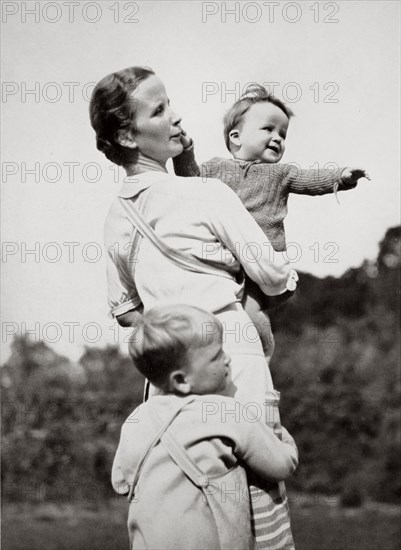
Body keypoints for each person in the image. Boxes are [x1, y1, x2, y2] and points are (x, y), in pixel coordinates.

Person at [90, 66, 298, 548]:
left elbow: (126, 312)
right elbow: (272, 275)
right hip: (232, 360)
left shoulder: (115, 217)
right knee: (258, 500)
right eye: (160, 110)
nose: (176, 117)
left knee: (185, 505)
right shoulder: (207, 192)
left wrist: (174, 324)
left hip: (169, 379)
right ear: (127, 133)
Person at [174, 84, 371, 357]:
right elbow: (190, 182)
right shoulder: (215, 168)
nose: (278, 138)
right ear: (236, 137)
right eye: (268, 129)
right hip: (222, 257)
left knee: (250, 314)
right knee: (213, 314)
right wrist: (184, 152)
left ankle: (263, 357)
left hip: (260, 260)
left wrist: (342, 176)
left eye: (283, 133)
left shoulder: (281, 174)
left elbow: (311, 179)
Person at [112, 304, 298, 550]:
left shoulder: (136, 420)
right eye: (216, 355)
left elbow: (120, 481)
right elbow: (281, 465)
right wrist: (283, 438)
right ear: (181, 380)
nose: (228, 358)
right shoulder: (225, 411)